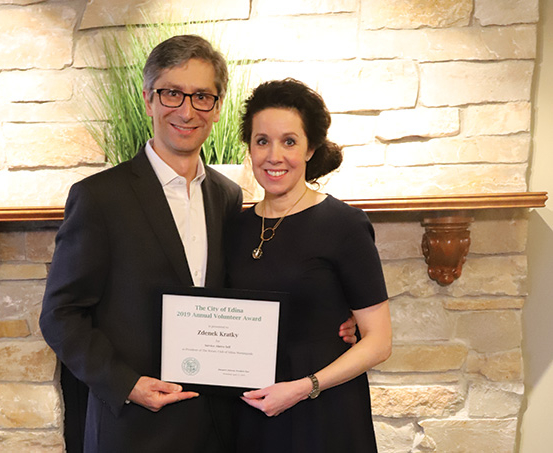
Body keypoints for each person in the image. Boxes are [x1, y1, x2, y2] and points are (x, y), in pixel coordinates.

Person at [40, 35, 359, 452]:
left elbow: (251, 289)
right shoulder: (99, 197)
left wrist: (334, 317)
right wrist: (127, 385)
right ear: (148, 98)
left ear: (218, 107)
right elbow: (60, 314)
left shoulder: (227, 197)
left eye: (202, 97)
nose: (187, 111)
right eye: (172, 93)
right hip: (135, 428)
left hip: (218, 425)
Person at [225, 78, 392, 453]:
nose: (273, 156)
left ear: (310, 148)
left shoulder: (343, 224)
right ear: (249, 148)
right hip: (251, 414)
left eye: (289, 141)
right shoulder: (233, 227)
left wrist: (304, 388)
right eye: (262, 141)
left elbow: (379, 341)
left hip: (322, 413)